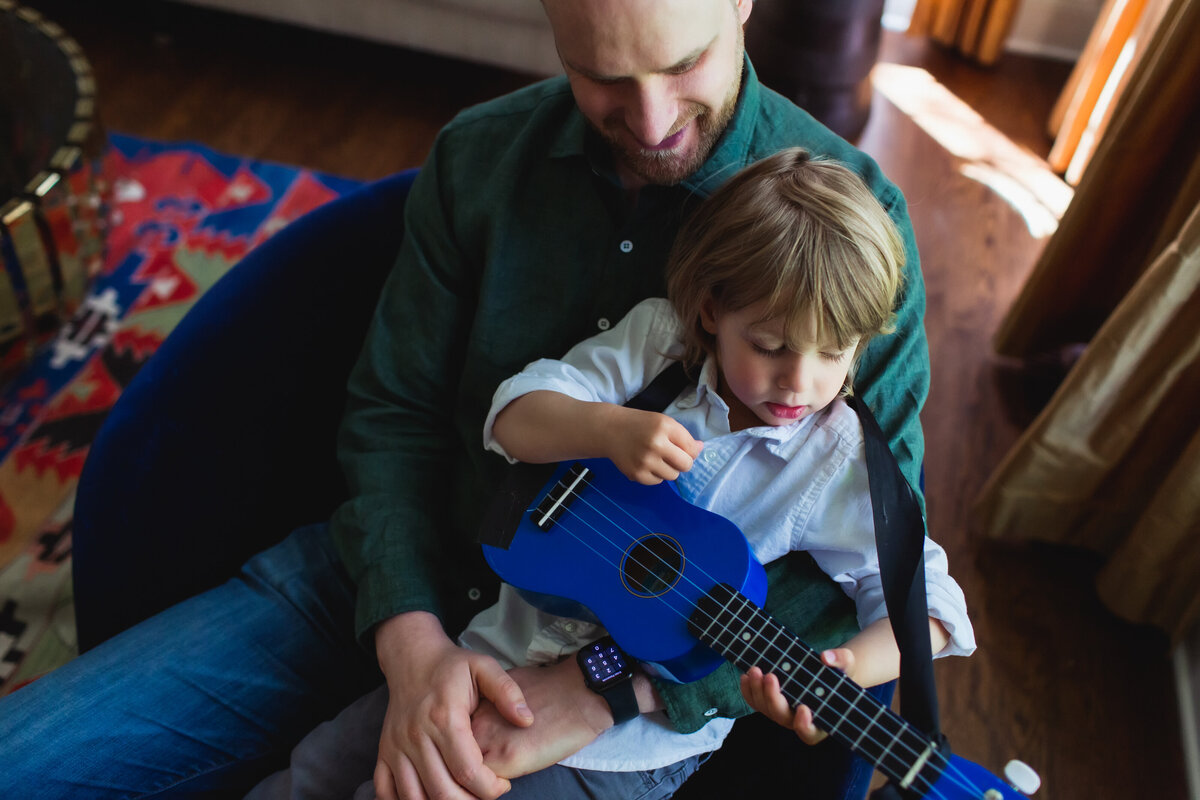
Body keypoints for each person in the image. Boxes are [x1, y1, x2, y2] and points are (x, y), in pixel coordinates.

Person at [0, 1, 936, 798]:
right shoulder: (480, 158)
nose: (650, 121)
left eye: (681, 64)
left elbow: (855, 570)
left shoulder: (854, 234)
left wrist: (607, 687)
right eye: (601, 76)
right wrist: (410, 644)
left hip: (587, 676)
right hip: (387, 577)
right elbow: (394, 414)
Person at [245, 149, 975, 800]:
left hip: (621, 751)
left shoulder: (837, 461)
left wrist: (849, 669)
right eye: (771, 344)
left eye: (834, 352)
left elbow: (927, 602)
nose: (798, 381)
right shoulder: (660, 344)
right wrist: (606, 428)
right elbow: (511, 417)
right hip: (493, 649)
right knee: (319, 767)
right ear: (713, 307)